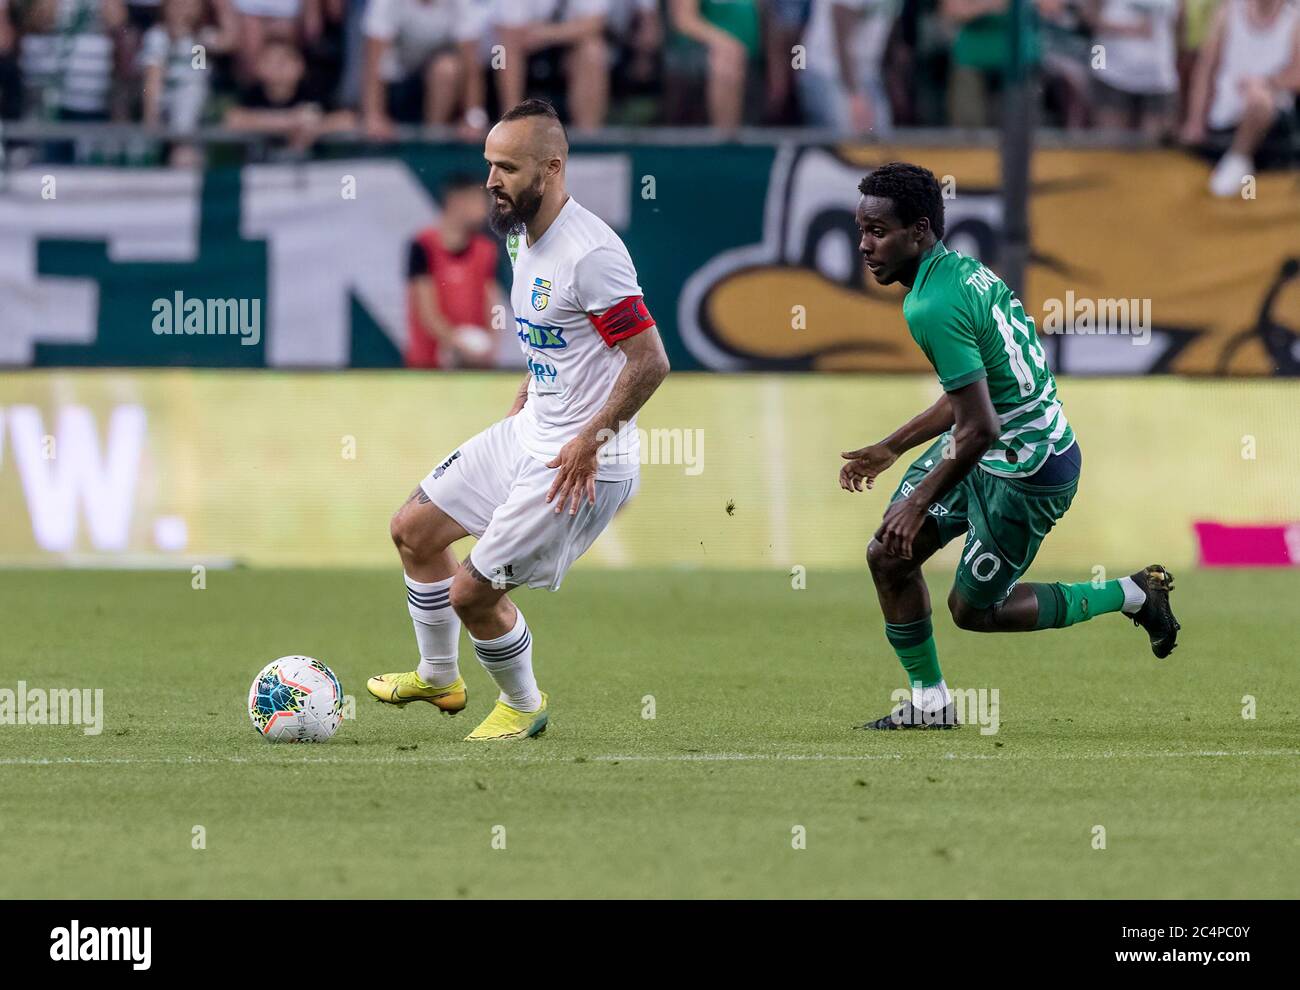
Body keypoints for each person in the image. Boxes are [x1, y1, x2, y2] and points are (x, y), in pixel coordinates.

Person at [367, 99, 671, 741]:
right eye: (488, 165)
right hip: (530, 430)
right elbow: (553, 340)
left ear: (551, 167)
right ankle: (440, 676)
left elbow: (649, 362)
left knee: (471, 593)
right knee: (413, 531)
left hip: (582, 459)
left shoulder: (590, 255)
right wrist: (526, 397)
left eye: (506, 167)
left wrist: (591, 439)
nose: (490, 181)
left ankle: (524, 705)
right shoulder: (517, 236)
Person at [839, 162, 1179, 729]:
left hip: (1029, 469)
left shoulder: (932, 305)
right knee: (887, 556)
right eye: (861, 230)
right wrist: (891, 446)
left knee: (974, 611)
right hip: (985, 450)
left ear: (919, 231)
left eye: (877, 232)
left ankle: (1133, 594)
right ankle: (931, 705)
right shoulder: (959, 273)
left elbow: (980, 427)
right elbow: (974, 395)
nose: (864, 246)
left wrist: (919, 499)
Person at [1181, 0, 1300, 197]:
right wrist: (1195, 121)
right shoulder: (1228, 12)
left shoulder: (1294, 19)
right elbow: (1205, 69)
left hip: (1276, 121)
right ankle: (1237, 163)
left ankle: (1238, 158)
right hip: (1224, 115)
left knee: (1259, 100)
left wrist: (1266, 82)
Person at [405, 173, 504, 369]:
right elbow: (426, 311)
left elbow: (492, 303)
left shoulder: (486, 250)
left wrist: (489, 345)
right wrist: (458, 344)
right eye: (479, 202)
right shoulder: (423, 245)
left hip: (474, 364)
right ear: (456, 202)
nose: (485, 210)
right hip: (428, 365)